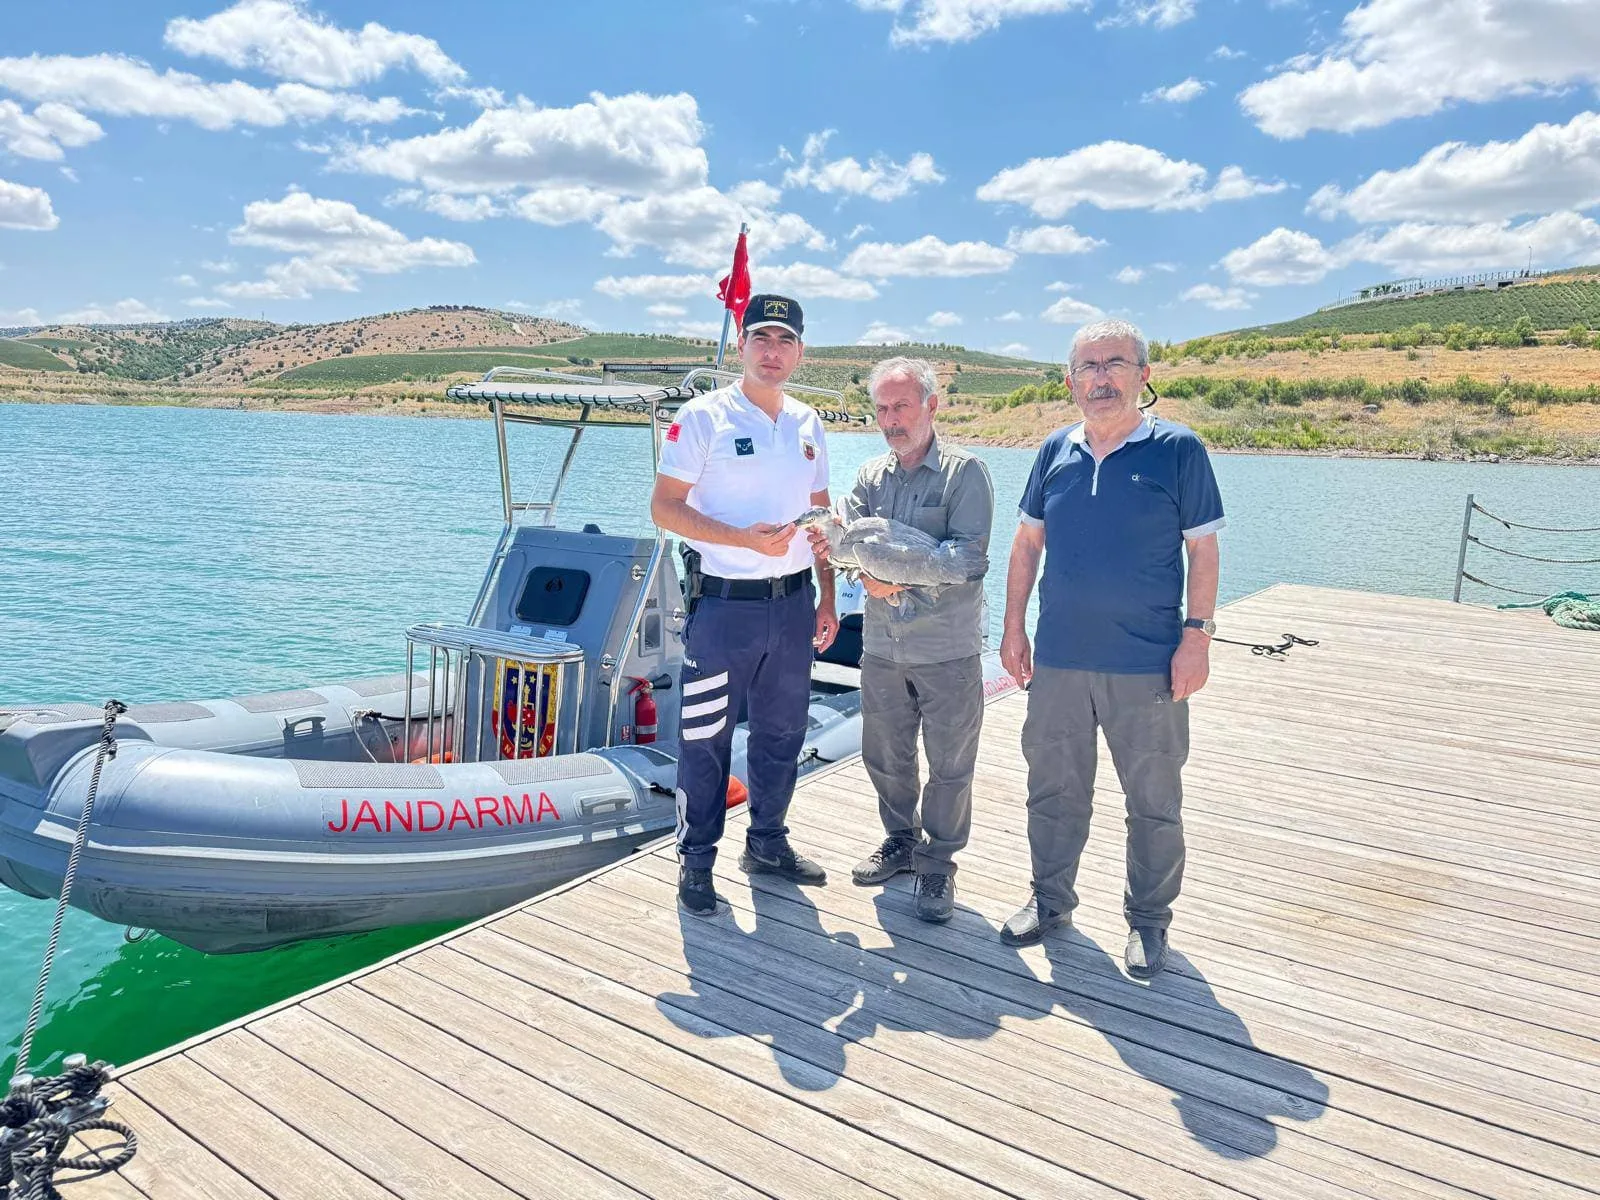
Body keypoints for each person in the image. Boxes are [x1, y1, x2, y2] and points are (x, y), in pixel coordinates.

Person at [998, 318, 1224, 979]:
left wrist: (1197, 637)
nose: (1099, 377)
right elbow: (1025, 545)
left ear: (1143, 375)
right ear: (1070, 381)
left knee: (1153, 801)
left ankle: (1148, 924)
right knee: (1054, 788)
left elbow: (1203, 549)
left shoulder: (1178, 451)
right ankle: (1049, 900)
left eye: (1114, 363)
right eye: (1086, 366)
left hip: (1147, 663)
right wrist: (1013, 628)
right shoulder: (1054, 453)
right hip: (1061, 660)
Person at [651, 294, 839, 917]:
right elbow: (665, 508)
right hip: (725, 610)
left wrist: (828, 594)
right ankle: (696, 860)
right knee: (705, 738)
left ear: (800, 351)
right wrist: (742, 540)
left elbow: (822, 518)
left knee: (782, 733)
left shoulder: (809, 424)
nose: (772, 350)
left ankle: (767, 843)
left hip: (792, 608)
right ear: (741, 345)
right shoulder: (704, 417)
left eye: (785, 340)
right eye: (761, 337)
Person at [809, 357, 993, 923]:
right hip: (882, 649)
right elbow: (846, 549)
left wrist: (893, 575)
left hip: (948, 651)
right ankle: (899, 841)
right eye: (882, 408)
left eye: (901, 406)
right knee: (885, 755)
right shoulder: (868, 478)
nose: (890, 419)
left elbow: (968, 560)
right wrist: (836, 546)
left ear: (931, 406)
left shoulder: (966, 475)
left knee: (950, 765)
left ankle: (938, 865)